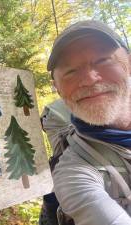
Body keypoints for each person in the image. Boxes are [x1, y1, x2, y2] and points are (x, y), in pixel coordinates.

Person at [41, 20, 131, 225]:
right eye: (70, 72)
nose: (89, 79)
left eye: (103, 61)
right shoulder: (73, 172)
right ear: (57, 87)